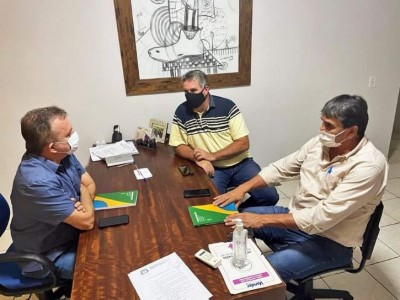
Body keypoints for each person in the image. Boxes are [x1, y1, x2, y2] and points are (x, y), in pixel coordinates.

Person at [214, 95, 388, 282]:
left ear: (352, 131)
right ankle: (244, 257)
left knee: (258, 275)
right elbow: (281, 168)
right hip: (297, 218)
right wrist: (241, 189)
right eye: (322, 122)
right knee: (236, 218)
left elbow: (321, 218)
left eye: (329, 125)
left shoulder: (369, 166)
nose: (321, 130)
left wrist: (262, 220)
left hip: (330, 240)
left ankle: (257, 283)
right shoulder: (319, 144)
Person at [169, 69, 279, 208]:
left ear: (206, 89)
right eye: (186, 92)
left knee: (270, 196)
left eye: (193, 91)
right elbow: (178, 145)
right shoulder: (181, 112)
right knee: (213, 205)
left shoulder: (227, 106)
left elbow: (243, 143)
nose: (189, 96)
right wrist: (198, 158)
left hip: (242, 164)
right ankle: (230, 214)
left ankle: (242, 212)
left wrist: (213, 156)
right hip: (215, 169)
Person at [10, 106, 96, 281]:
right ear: (52, 147)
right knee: (104, 266)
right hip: (47, 256)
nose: (74, 137)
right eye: (69, 135)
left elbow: (90, 184)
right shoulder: (36, 182)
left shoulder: (63, 154)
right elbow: (86, 221)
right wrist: (84, 193)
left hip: (69, 234)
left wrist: (82, 196)